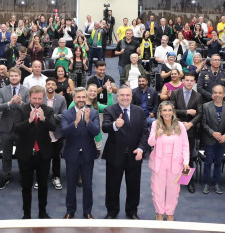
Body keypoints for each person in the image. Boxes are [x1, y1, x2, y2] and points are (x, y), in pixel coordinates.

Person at [102, 84, 149, 219]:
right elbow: (105, 127)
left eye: (127, 95)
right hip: (115, 155)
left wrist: (141, 149)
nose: (125, 97)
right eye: (122, 95)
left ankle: (132, 211)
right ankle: (112, 211)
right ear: (118, 96)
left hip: (134, 155)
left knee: (134, 186)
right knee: (112, 186)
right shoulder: (109, 110)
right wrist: (115, 125)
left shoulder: (139, 111)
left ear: (131, 96)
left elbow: (144, 132)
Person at [14, 85, 57, 219]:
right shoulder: (22, 109)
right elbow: (16, 128)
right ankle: (27, 214)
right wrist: (29, 121)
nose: (37, 101)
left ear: (43, 98)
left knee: (43, 185)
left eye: (39, 98)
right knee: (26, 186)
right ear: (29, 97)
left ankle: (42, 212)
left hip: (43, 154)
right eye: (34, 98)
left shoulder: (48, 110)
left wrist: (44, 119)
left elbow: (53, 127)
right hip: (25, 154)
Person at [146, 101, 190, 221]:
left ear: (173, 112)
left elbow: (185, 145)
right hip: (159, 162)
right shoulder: (156, 124)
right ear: (160, 112)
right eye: (164, 110)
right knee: (157, 189)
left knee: (173, 190)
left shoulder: (180, 126)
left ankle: (170, 213)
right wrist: (156, 135)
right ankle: (159, 213)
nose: (167, 113)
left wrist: (186, 162)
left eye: (169, 110)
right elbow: (150, 143)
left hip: (176, 163)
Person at [60, 87, 99, 219]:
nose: (81, 100)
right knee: (70, 185)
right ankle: (70, 210)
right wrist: (75, 122)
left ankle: (87, 211)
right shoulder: (66, 114)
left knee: (87, 185)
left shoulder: (93, 113)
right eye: (78, 97)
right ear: (74, 98)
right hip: (72, 154)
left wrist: (87, 121)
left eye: (83, 97)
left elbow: (96, 131)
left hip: (88, 155)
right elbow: (64, 131)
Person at [0, 68, 29, 189]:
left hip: (21, 129)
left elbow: (29, 109)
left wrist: (20, 103)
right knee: (6, 155)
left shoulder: (26, 91)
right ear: (9, 77)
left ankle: (24, 176)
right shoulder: (2, 90)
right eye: (12, 76)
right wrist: (9, 103)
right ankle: (5, 176)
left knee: (23, 155)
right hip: (6, 128)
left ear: (20, 77)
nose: (14, 77)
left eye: (16, 76)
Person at [200, 84, 225, 194]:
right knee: (208, 162)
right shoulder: (205, 106)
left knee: (219, 163)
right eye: (215, 92)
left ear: (224, 94)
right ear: (212, 94)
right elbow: (203, 123)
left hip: (223, 141)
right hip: (210, 139)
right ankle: (206, 183)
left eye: (220, 93)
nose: (217, 95)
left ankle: (216, 183)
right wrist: (213, 133)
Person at [173, 72, 202, 192]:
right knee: (175, 156)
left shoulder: (198, 96)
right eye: (187, 80)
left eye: (192, 80)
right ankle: (174, 181)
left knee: (188, 156)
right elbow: (171, 110)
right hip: (176, 128)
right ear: (183, 81)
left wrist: (190, 124)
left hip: (190, 130)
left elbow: (200, 113)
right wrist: (186, 112)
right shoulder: (175, 93)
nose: (189, 82)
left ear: (194, 82)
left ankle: (187, 181)